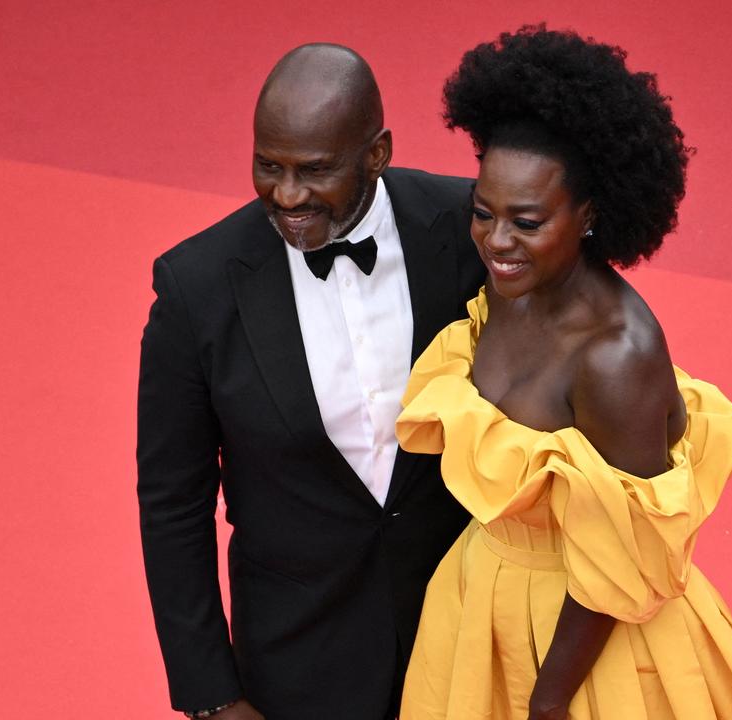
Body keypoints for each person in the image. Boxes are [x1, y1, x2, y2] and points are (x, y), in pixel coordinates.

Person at [395, 27, 732, 719]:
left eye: (527, 221)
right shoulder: (512, 288)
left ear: (589, 216)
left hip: (587, 655)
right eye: (483, 213)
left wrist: (544, 707)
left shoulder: (617, 356)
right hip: (479, 609)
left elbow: (623, 563)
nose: (498, 242)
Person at [137, 44, 486, 720]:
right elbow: (172, 505)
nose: (287, 195)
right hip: (298, 657)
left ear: (377, 154)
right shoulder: (196, 288)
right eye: (269, 166)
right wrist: (211, 695)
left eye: (315, 170)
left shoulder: (468, 227)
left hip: (463, 635)